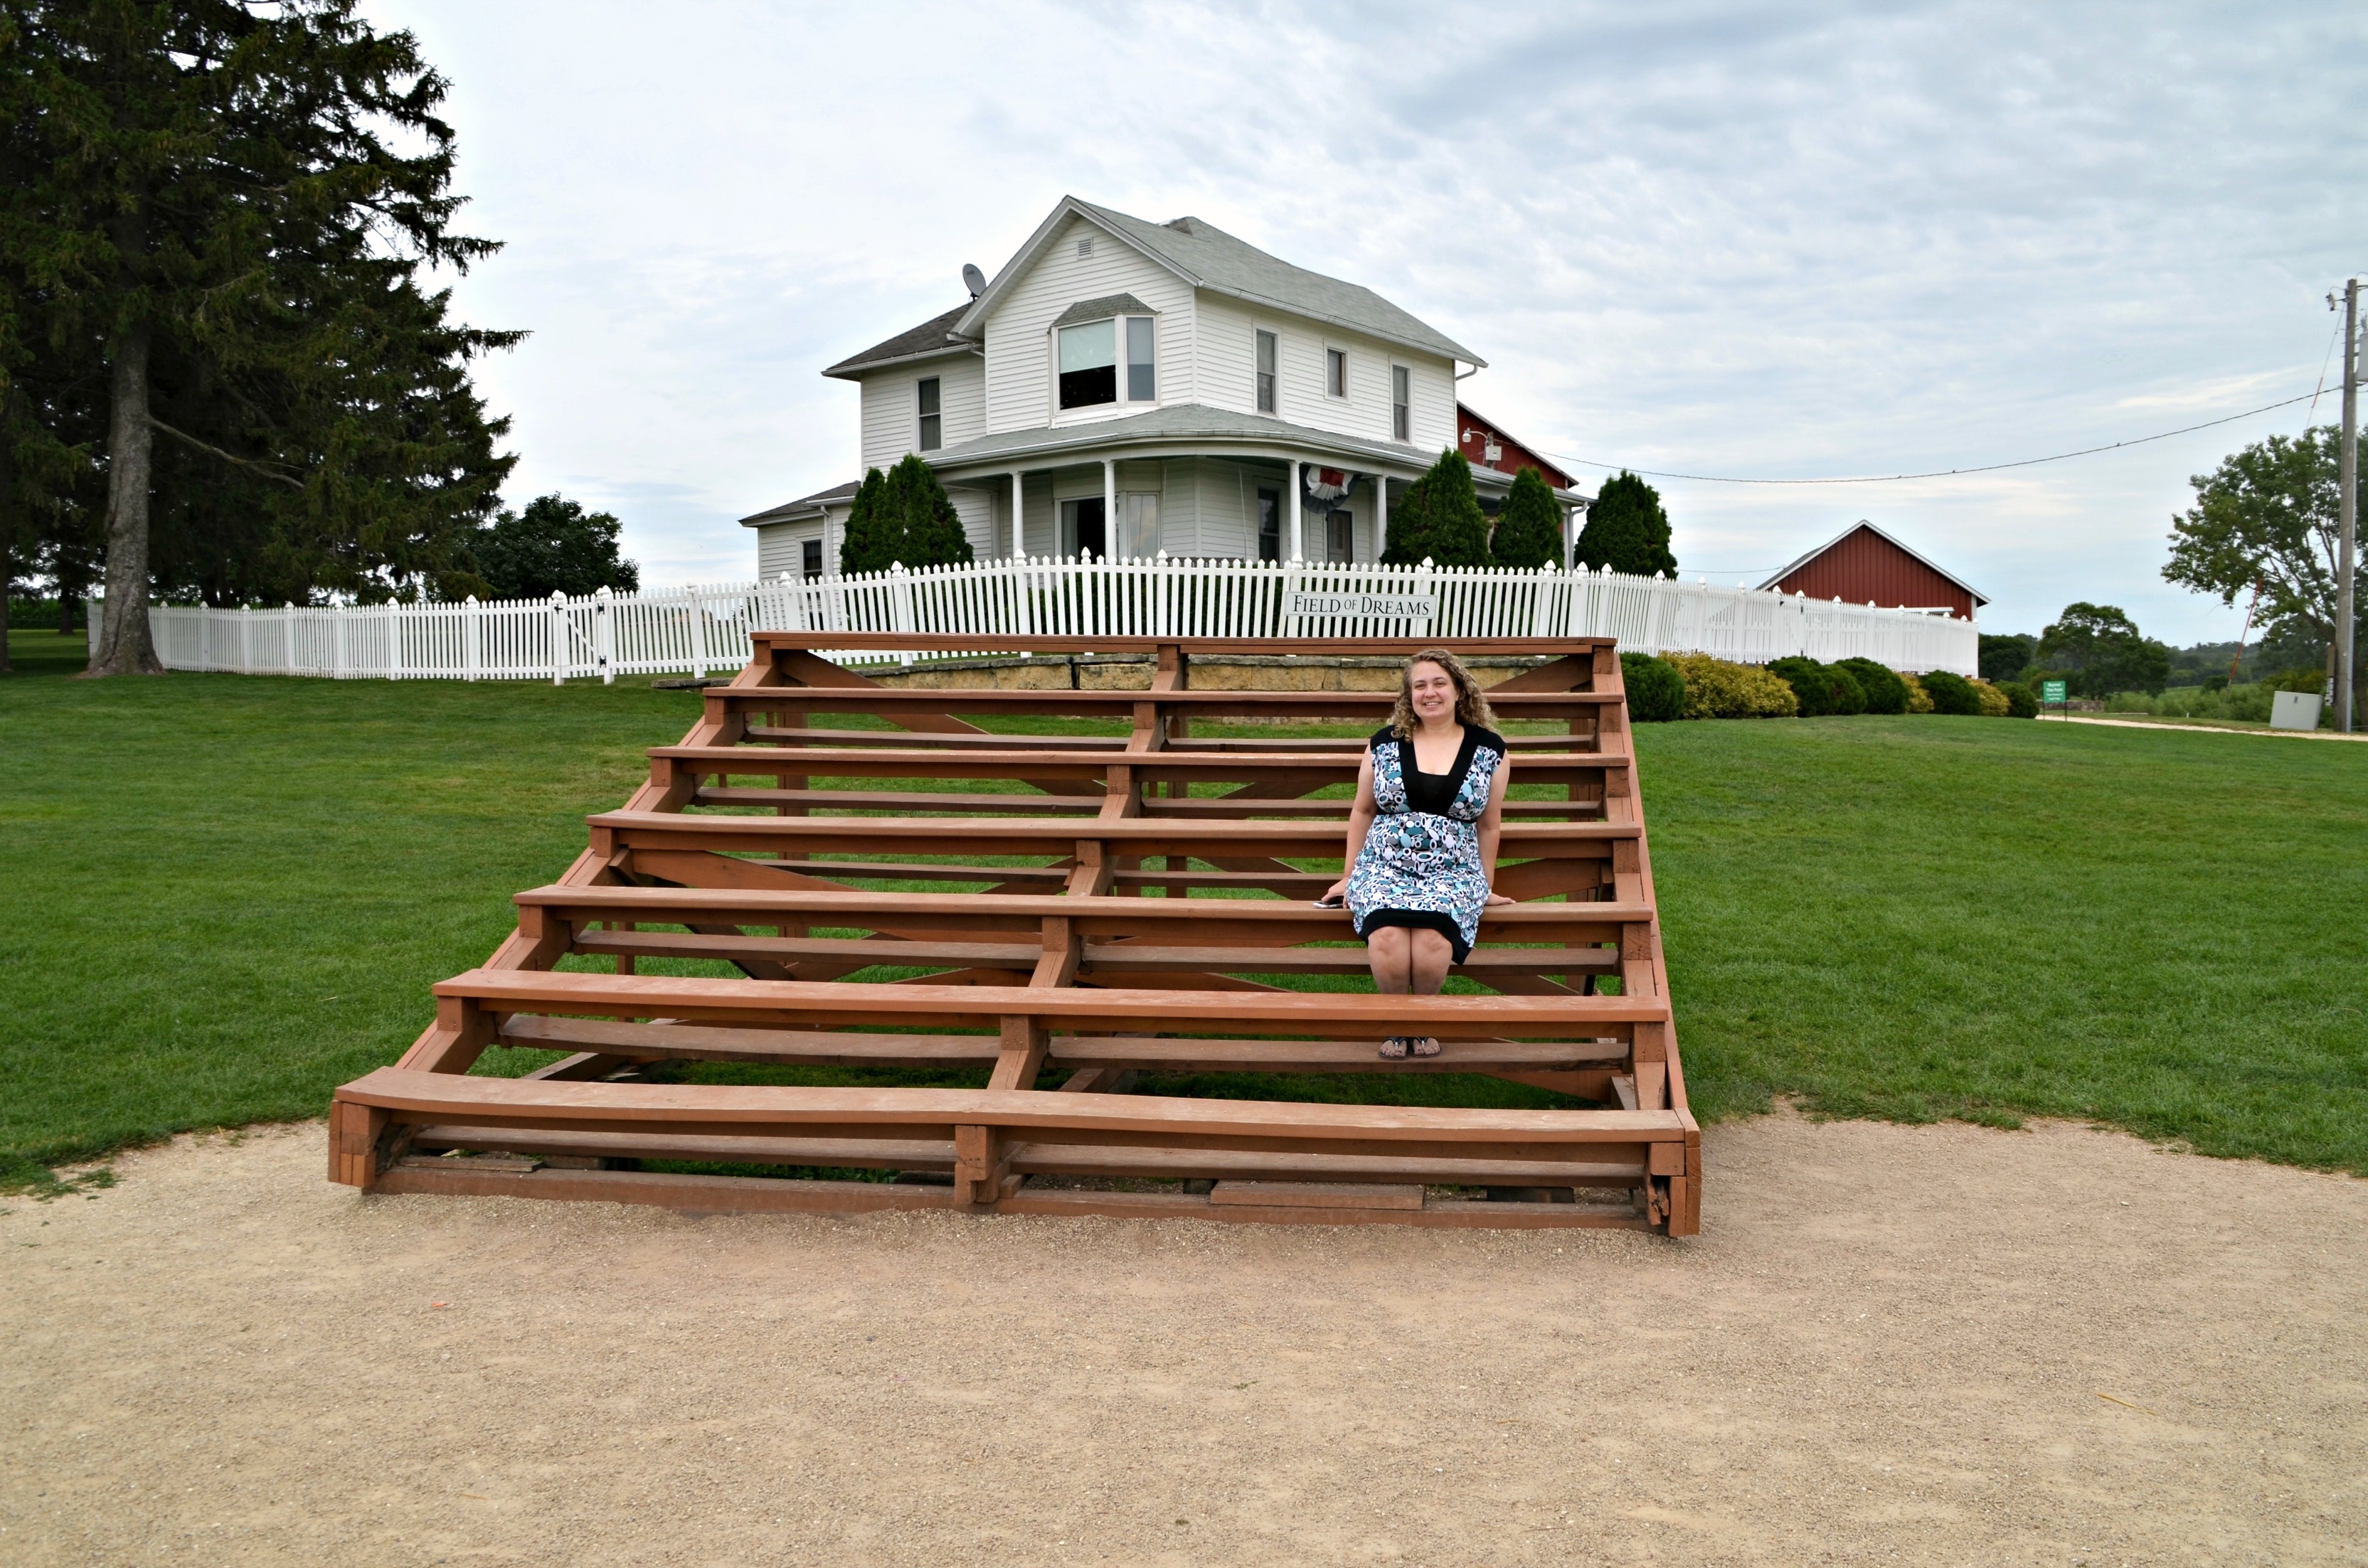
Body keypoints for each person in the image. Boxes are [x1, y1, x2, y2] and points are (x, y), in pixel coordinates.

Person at [1321, 649, 1513, 1058]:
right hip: (1384, 866)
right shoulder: (1385, 743)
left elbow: (1490, 825)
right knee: (1388, 937)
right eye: (1420, 685)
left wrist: (1484, 886)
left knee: (1431, 940)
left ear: (1459, 690)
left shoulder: (1489, 749)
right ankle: (1395, 1027)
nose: (1430, 693)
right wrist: (1349, 875)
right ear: (1409, 696)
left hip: (1453, 872)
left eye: (1440, 683)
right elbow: (1362, 810)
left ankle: (1421, 1025)